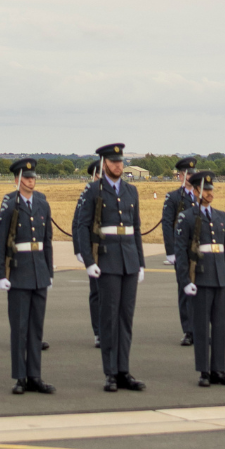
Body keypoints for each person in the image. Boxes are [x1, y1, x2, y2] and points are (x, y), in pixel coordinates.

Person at [74, 142, 146, 392]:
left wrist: (141, 262)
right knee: (109, 318)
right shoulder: (94, 190)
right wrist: (89, 260)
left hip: (128, 260)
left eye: (121, 161)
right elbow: (83, 226)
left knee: (126, 318)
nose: (119, 165)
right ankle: (110, 373)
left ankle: (124, 369)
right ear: (104, 164)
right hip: (106, 260)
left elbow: (135, 228)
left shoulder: (131, 190)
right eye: (114, 162)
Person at [0, 157, 54, 394]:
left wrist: (49, 271)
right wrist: (1, 274)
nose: (31, 181)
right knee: (19, 327)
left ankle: (35, 375)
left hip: (38, 270)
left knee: (36, 328)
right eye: (27, 178)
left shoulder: (42, 203)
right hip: (18, 271)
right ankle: (20, 377)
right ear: (17, 180)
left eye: (33, 177)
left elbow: (46, 240)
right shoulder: (10, 204)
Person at [174, 171, 225, 387]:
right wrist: (185, 281)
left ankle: (219, 369)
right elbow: (181, 252)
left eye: (212, 189)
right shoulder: (187, 217)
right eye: (206, 190)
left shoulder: (220, 217)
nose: (210, 193)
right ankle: (204, 371)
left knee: (219, 327)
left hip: (219, 276)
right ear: (197, 190)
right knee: (201, 327)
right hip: (199, 278)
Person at [161, 157, 197, 346]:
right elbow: (167, 224)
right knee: (185, 289)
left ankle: (200, 328)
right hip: (182, 250)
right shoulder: (173, 197)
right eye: (188, 174)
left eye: (193, 173)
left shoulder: (200, 195)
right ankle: (188, 330)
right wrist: (171, 251)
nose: (191, 176)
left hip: (200, 250)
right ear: (180, 176)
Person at [71, 158, 102, 347]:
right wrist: (80, 249)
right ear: (94, 175)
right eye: (100, 174)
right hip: (93, 249)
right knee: (97, 292)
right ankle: (98, 332)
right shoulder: (87, 194)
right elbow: (78, 223)